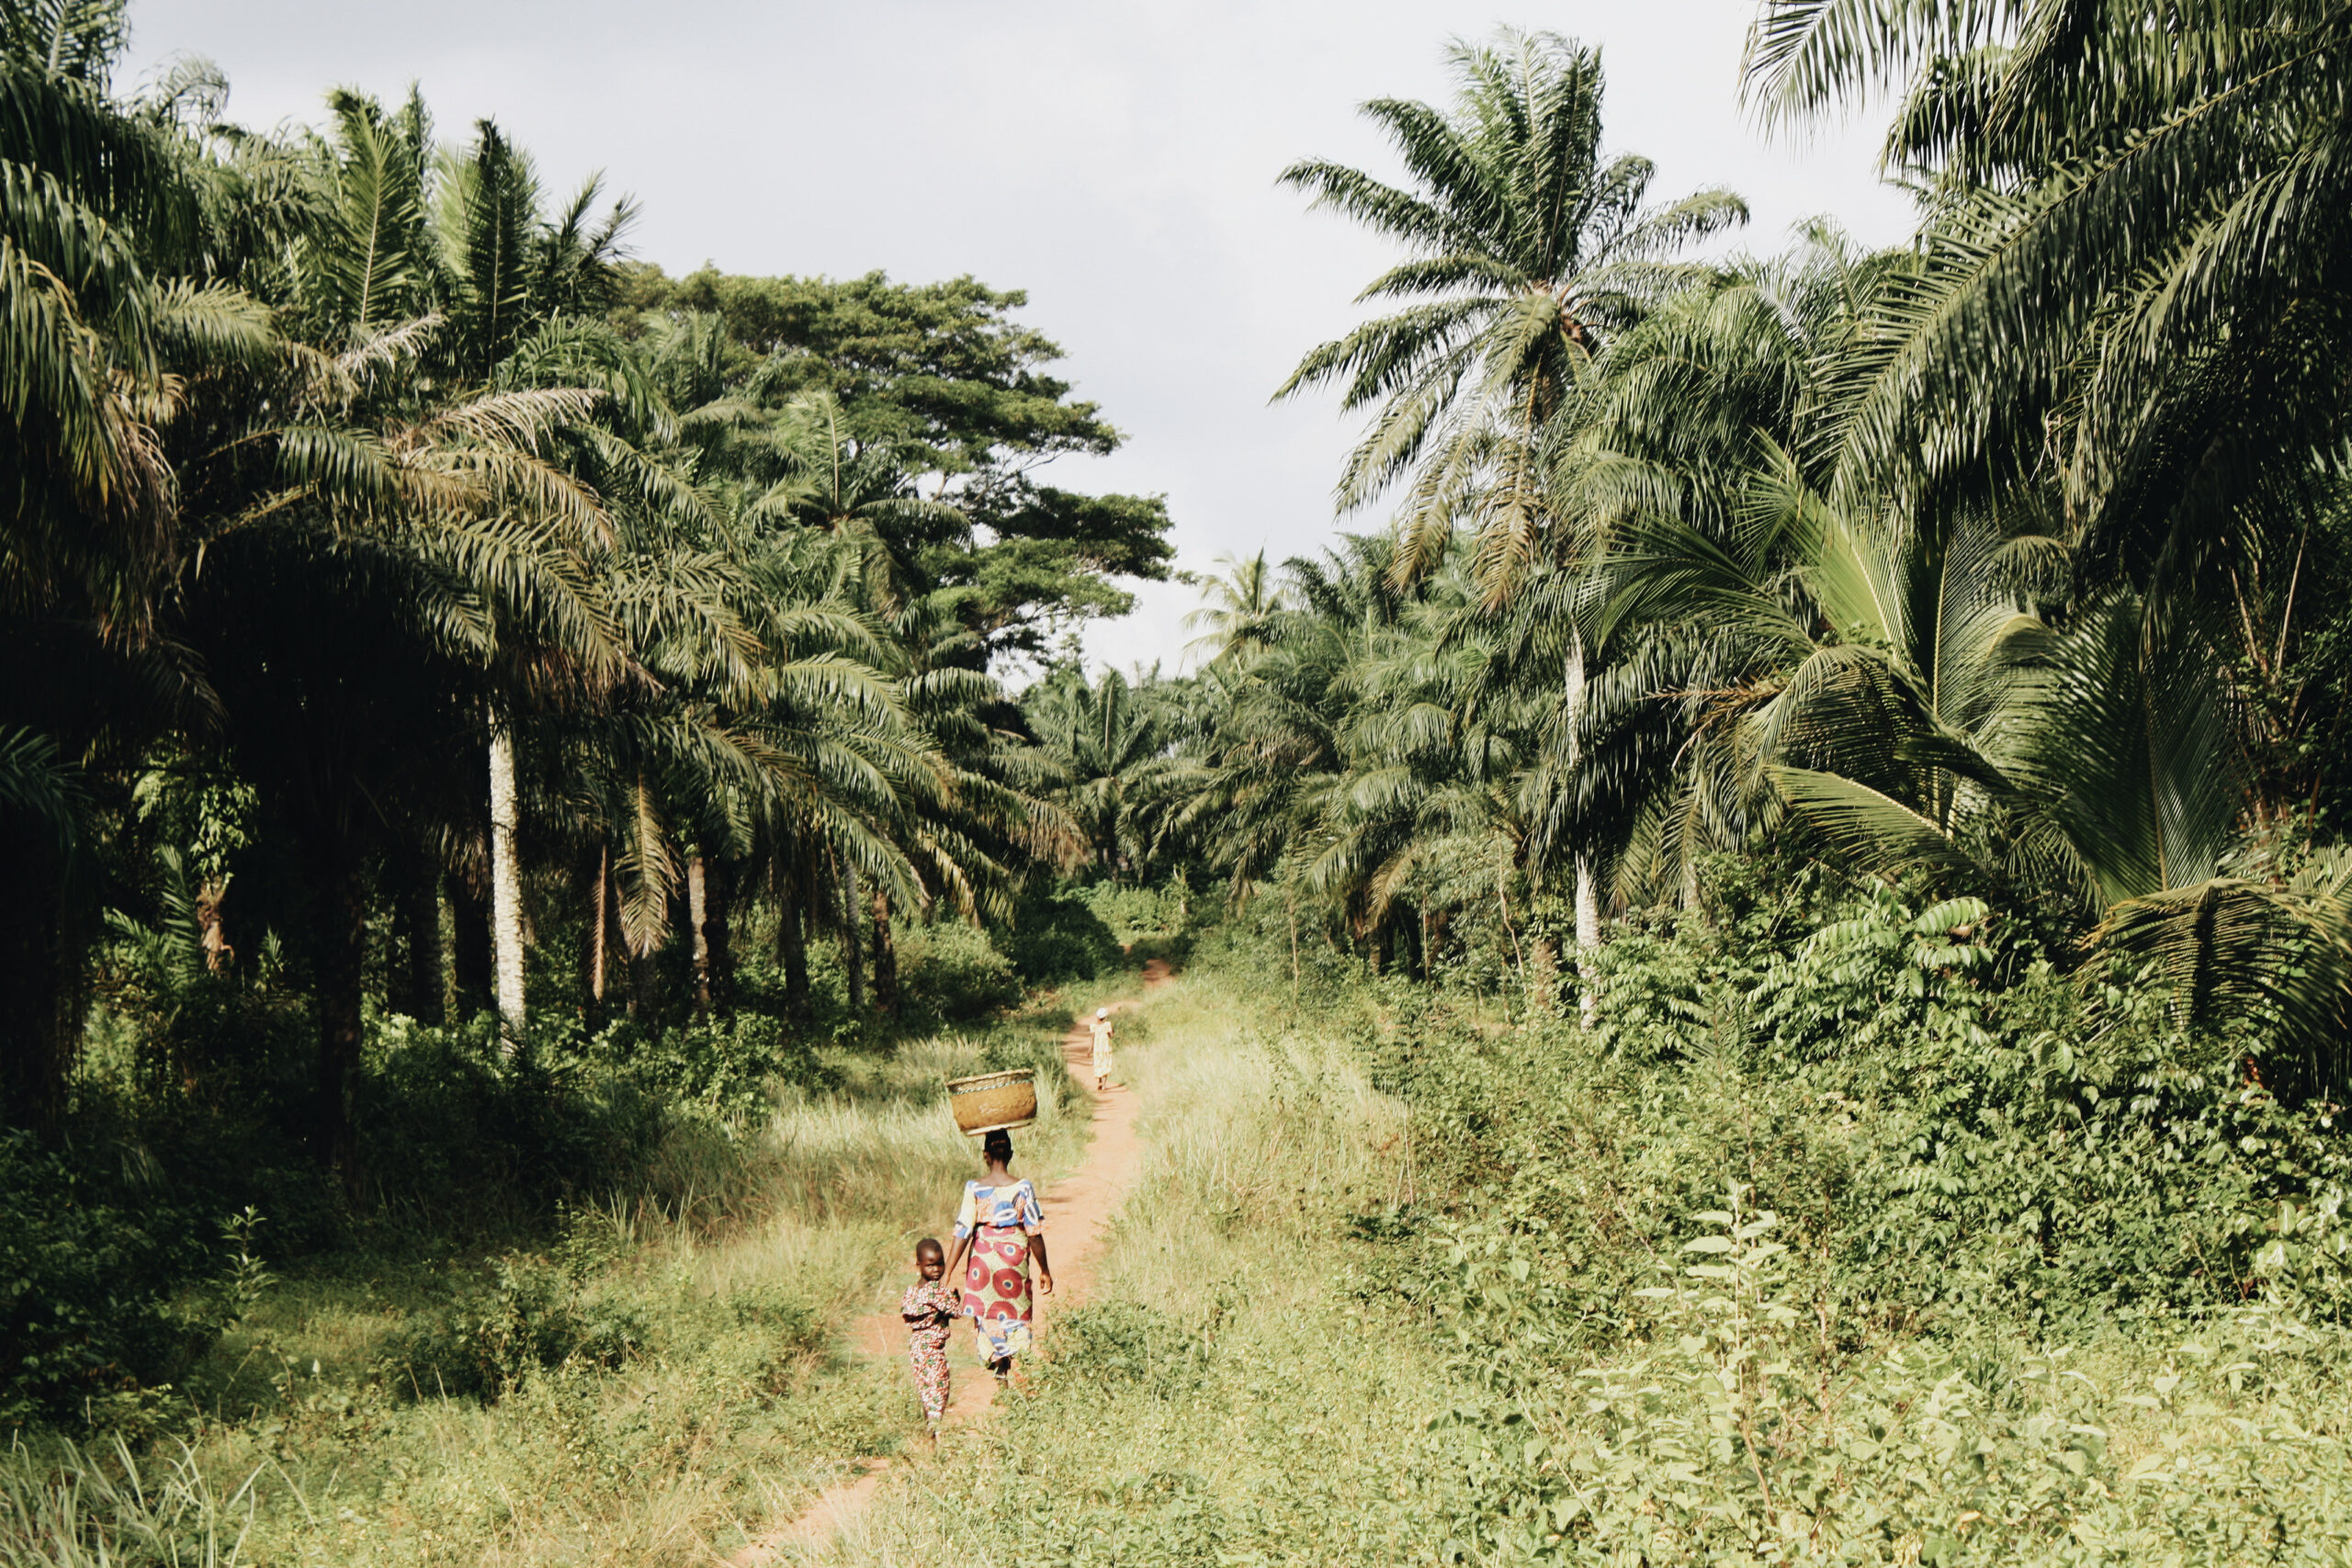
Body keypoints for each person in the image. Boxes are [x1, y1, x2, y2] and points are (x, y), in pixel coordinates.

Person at [945, 1128, 1052, 1382]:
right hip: (1013, 1262)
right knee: (1015, 1312)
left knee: (988, 1313)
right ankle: (1016, 1361)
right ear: (1011, 1153)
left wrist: (947, 1273)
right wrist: (1045, 1270)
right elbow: (1034, 1234)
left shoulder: (973, 1188)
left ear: (985, 1155)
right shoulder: (1023, 1187)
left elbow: (963, 1230)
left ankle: (998, 1361)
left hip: (982, 1263)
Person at [899, 1237, 962, 1442]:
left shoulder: (912, 1291)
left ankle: (930, 1435)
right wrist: (955, 1298)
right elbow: (955, 1311)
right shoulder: (935, 1291)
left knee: (926, 1391)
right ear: (918, 1265)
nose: (937, 1270)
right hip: (932, 1351)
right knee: (939, 1390)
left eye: (940, 1264)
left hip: (916, 1349)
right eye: (931, 1265)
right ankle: (932, 1438)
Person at [1089, 1006, 1115, 1092]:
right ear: (1105, 1017)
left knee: (1098, 1064)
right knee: (1105, 1064)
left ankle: (1099, 1082)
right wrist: (1112, 1031)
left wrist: (1090, 1049)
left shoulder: (1093, 1026)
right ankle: (1104, 1085)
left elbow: (1092, 1038)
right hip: (1105, 1048)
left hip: (1097, 1049)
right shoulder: (1107, 1025)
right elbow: (1111, 1036)